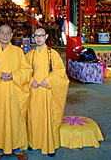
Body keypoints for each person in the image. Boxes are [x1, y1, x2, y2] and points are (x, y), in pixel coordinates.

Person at [0, 25, 32, 160]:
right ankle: (0, 147)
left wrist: (14, 75)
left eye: (8, 33)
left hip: (14, 91)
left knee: (15, 117)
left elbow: (26, 70)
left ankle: (17, 147)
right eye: (2, 33)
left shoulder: (18, 52)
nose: (5, 35)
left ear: (12, 35)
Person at [25, 27, 69, 156]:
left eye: (41, 35)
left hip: (47, 91)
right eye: (36, 36)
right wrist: (30, 80)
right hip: (34, 91)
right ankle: (34, 143)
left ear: (46, 37)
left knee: (48, 118)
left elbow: (60, 72)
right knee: (33, 118)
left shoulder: (52, 54)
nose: (38, 38)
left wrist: (48, 80)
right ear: (34, 38)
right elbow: (24, 71)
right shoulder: (29, 55)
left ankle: (49, 146)